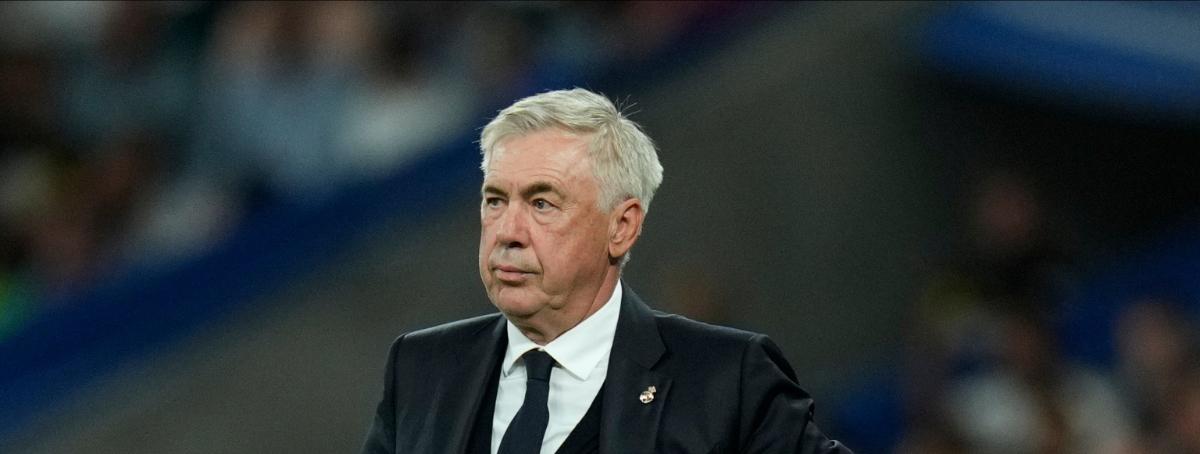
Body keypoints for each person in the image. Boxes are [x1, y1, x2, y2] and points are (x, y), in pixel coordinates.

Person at [360, 88, 850, 454]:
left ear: (621, 227)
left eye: (542, 203)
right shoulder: (422, 367)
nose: (507, 231)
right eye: (495, 200)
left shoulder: (725, 380)